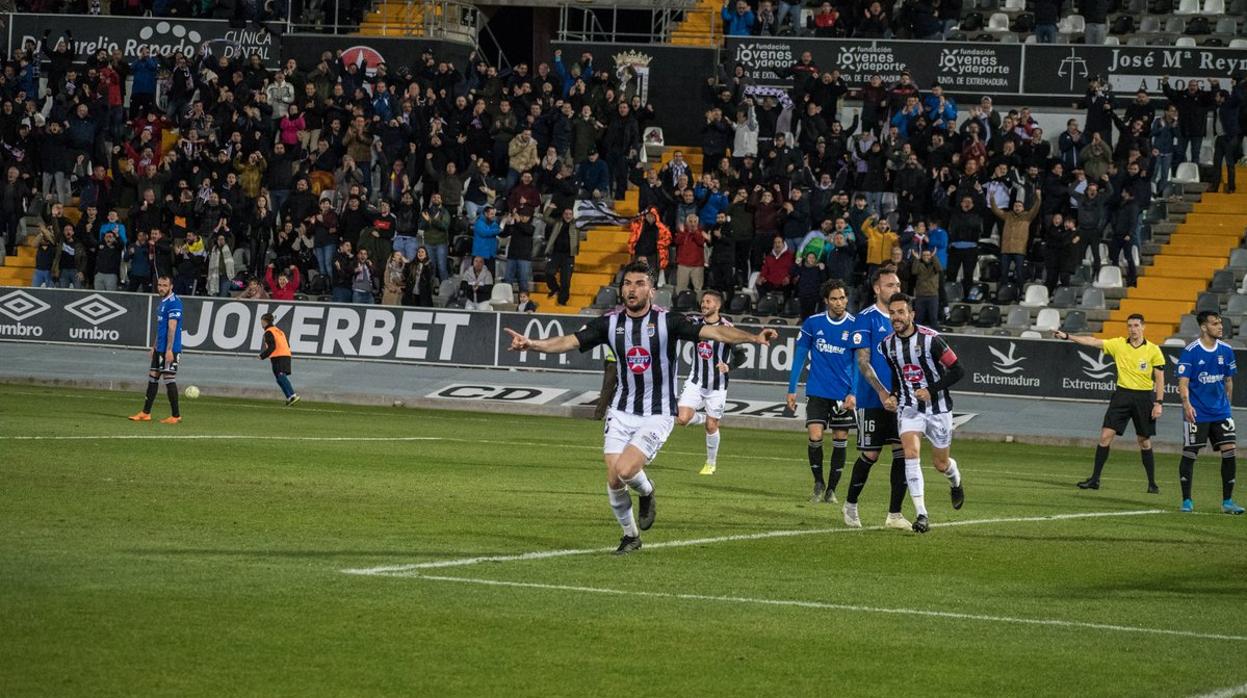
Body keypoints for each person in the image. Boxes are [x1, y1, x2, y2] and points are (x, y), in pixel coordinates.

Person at [503, 261, 778, 555]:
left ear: (652, 290)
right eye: (627, 284)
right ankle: (631, 536)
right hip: (621, 410)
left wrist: (752, 337)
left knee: (625, 469)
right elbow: (569, 341)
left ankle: (647, 491)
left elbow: (717, 334)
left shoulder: (669, 321)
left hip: (657, 412)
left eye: (639, 284)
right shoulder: (610, 323)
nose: (632, 290)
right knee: (613, 477)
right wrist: (532, 344)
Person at [872, 293, 967, 533]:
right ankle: (922, 514)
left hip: (938, 409)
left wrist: (932, 390)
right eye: (892, 313)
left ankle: (955, 481)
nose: (896, 317)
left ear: (911, 314)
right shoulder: (886, 345)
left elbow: (958, 370)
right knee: (910, 453)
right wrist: (894, 395)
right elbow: (897, 374)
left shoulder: (932, 339)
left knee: (940, 463)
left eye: (901, 312)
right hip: (908, 407)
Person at [1056, 314, 1165, 492]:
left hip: (1144, 398)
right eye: (1129, 325)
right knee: (1105, 436)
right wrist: (1068, 336)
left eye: (1136, 325)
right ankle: (1095, 480)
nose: (1133, 329)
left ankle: (1152, 484)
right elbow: (1092, 342)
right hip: (1122, 395)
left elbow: (1160, 378)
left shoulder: (1153, 350)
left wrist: (1158, 403)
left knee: (1144, 441)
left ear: (1143, 327)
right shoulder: (1118, 344)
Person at [843, 269, 912, 530]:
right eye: (888, 284)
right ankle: (850, 503)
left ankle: (894, 514)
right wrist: (883, 392)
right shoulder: (866, 319)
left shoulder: (903, 321)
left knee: (902, 453)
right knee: (871, 454)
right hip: (873, 399)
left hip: (901, 400)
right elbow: (863, 362)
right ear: (876, 289)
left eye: (897, 283)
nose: (894, 288)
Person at [787, 279, 859, 503]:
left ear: (847, 299)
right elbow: (799, 357)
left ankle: (832, 490)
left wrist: (853, 392)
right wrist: (791, 389)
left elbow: (858, 363)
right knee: (815, 435)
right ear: (826, 301)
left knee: (840, 438)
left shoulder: (855, 326)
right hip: (817, 389)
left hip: (842, 393)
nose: (839, 303)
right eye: (834, 299)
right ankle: (818, 482)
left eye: (842, 298)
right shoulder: (813, 323)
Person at [1176, 311, 1243, 514]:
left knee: (1230, 450)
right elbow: (1183, 382)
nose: (1220, 327)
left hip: (1221, 411)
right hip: (1198, 411)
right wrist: (1187, 405)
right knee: (1190, 452)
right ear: (1204, 327)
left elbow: (1229, 380)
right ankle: (1187, 500)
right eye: (1215, 324)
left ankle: (1228, 502)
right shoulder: (1191, 352)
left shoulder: (1226, 350)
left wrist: (1227, 406)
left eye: (1220, 323)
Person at [675, 290, 736, 476]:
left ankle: (710, 463)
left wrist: (728, 366)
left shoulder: (727, 327)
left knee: (712, 427)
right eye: (702, 302)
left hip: (717, 384)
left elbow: (741, 354)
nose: (704, 305)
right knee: (682, 419)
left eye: (708, 302)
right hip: (696, 380)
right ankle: (702, 418)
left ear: (717, 306)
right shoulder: (696, 324)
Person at [129, 275, 183, 424]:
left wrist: (170, 350)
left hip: (170, 349)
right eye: (159, 285)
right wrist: (154, 346)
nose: (161, 288)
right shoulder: (162, 303)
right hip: (160, 348)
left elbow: (172, 327)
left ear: (171, 286)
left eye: (165, 285)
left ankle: (176, 415)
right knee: (153, 377)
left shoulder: (174, 303)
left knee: (168, 378)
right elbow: (161, 328)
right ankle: (146, 413)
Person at [259, 313, 300, 406]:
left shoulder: (269, 332)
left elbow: (272, 347)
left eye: (261, 322)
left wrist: (262, 356)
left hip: (278, 356)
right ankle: (289, 398)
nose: (261, 324)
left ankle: (293, 395)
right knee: (279, 378)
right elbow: (287, 344)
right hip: (286, 355)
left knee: (281, 376)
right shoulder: (279, 331)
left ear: (265, 321)